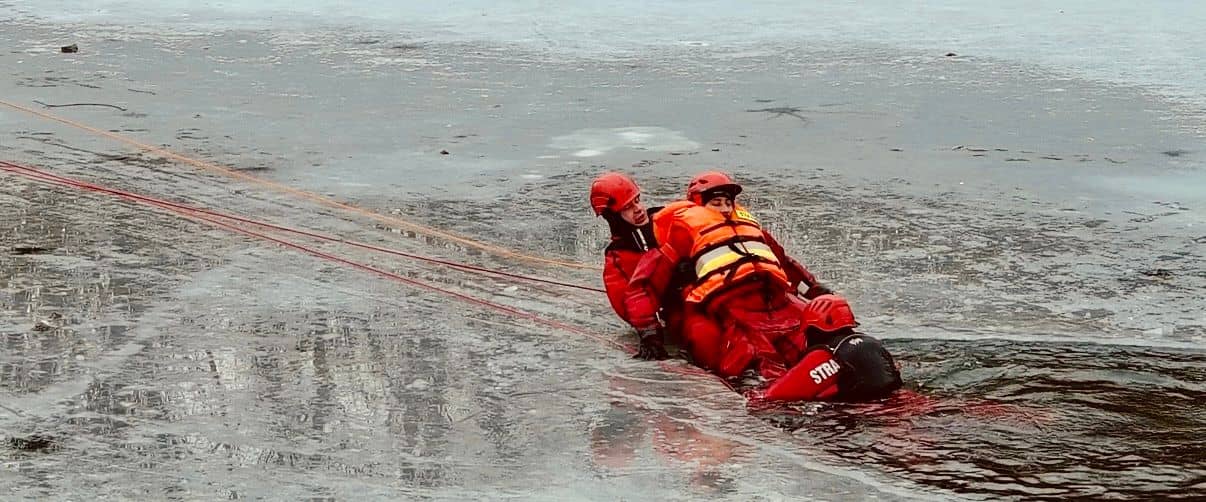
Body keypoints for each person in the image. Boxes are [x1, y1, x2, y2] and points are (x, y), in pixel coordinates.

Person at [623, 171, 835, 381]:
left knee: (819, 337)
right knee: (753, 359)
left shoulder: (748, 226)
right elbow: (643, 284)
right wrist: (649, 333)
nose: (724, 209)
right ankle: (764, 390)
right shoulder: (680, 233)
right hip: (729, 309)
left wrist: (813, 290)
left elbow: (784, 263)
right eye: (716, 203)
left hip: (775, 302)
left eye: (728, 202)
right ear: (697, 204)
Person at [590, 172, 686, 359]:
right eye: (628, 207)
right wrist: (649, 334)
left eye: (637, 200)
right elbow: (626, 303)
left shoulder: (667, 219)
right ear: (613, 217)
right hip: (677, 312)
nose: (638, 209)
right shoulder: (618, 257)